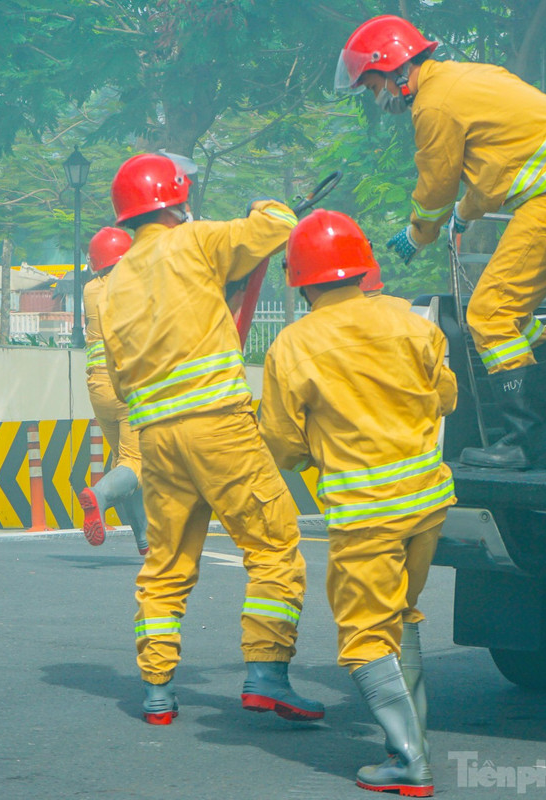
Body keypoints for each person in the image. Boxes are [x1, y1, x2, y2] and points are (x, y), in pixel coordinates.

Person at [100, 152, 324, 726]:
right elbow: (275, 226)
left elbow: (123, 377)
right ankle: (267, 674)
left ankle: (156, 690)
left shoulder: (115, 281)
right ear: (176, 199)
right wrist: (258, 205)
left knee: (166, 565)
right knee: (273, 548)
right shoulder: (196, 241)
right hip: (219, 425)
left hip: (156, 438)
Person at [336, 14, 546, 472]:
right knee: (515, 316)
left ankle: (525, 441)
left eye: (372, 85)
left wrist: (421, 232)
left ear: (395, 68)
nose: (376, 98)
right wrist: (464, 213)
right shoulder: (466, 78)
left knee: (490, 314)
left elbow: (437, 183)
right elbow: (496, 170)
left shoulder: (434, 106)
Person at [258, 209, 456, 797]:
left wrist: (313, 452)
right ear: (363, 266)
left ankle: (409, 761)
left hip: (365, 512)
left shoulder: (294, 344)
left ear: (302, 278)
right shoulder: (411, 320)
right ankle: (413, 737)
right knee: (401, 617)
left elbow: (281, 441)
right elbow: (444, 395)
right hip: (428, 501)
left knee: (367, 634)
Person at [76, 226, 148, 555]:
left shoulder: (91, 289)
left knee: (125, 464)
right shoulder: (133, 285)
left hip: (98, 389)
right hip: (128, 386)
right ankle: (99, 495)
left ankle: (145, 542)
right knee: (136, 464)